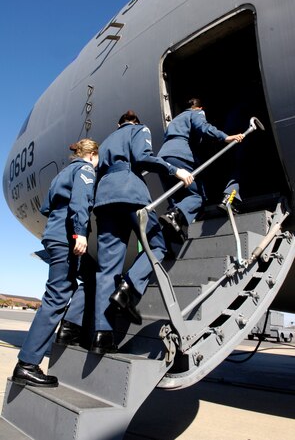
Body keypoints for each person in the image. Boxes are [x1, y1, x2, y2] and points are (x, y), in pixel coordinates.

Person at [91, 110, 193, 354]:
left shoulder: (105, 143)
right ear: (134, 122)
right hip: (130, 193)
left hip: (104, 200)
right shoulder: (140, 130)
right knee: (157, 245)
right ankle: (128, 288)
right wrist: (173, 170)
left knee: (106, 269)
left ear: (118, 123)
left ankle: (101, 336)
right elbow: (143, 157)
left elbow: (97, 173)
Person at [12, 138, 99, 388]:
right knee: (57, 295)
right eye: (97, 157)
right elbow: (81, 203)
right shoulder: (85, 170)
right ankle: (27, 364)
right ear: (92, 154)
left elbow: (47, 207)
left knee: (88, 277)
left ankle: (69, 326)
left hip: (54, 234)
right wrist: (80, 232)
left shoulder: (62, 174)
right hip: (67, 236)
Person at [157, 98, 245, 243]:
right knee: (198, 197)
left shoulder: (176, 120)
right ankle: (175, 216)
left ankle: (170, 231)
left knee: (177, 198)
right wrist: (226, 137)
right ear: (199, 108)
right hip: (180, 155)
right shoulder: (196, 113)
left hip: (163, 160)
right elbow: (203, 127)